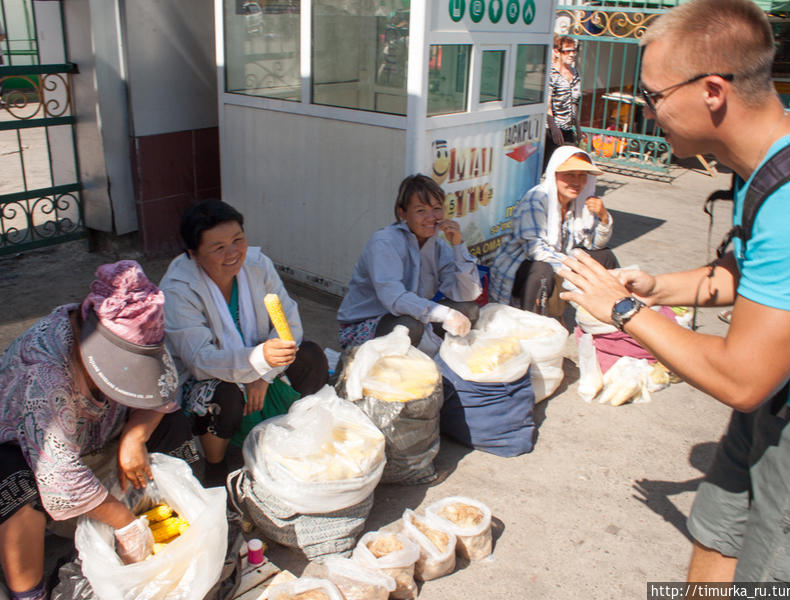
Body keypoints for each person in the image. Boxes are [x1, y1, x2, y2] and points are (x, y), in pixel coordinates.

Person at [559, 0, 790, 583]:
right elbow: (748, 271)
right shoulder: (777, 149)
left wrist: (622, 309)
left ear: (713, 90)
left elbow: (742, 380)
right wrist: (658, 287)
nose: (646, 110)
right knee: (715, 534)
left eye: (653, 96)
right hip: (779, 399)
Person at [0, 261, 197, 600]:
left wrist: (135, 436)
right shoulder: (44, 371)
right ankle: (30, 592)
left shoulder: (139, 324)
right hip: (19, 461)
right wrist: (124, 522)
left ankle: (170, 519)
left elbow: (165, 390)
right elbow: (57, 473)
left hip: (94, 446)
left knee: (173, 422)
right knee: (13, 481)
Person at [160, 198, 328, 488]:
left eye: (238, 239)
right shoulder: (178, 290)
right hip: (208, 378)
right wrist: (257, 360)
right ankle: (216, 467)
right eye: (218, 248)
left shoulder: (257, 265)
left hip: (262, 369)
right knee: (221, 396)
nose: (233, 253)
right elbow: (201, 360)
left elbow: (290, 324)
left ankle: (295, 430)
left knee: (312, 356)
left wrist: (263, 374)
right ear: (193, 254)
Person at [337, 174, 481, 355]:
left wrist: (458, 246)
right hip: (367, 327)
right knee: (408, 327)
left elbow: (467, 293)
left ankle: (441, 364)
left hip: (415, 318)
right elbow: (394, 298)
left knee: (468, 309)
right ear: (403, 213)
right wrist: (446, 314)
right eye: (420, 211)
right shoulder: (384, 242)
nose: (431, 218)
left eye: (436, 209)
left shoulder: (438, 245)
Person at [489, 145, 616, 316]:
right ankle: (533, 320)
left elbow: (593, 244)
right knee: (542, 270)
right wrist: (577, 269)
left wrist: (604, 218)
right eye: (569, 174)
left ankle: (614, 313)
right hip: (520, 269)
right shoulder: (537, 199)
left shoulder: (581, 202)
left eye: (581, 176)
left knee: (605, 256)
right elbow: (536, 251)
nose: (576, 182)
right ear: (554, 175)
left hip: (559, 262)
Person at [544, 35, 582, 171]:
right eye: (567, 51)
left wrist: (577, 127)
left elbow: (574, 103)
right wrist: (553, 128)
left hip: (567, 129)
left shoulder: (575, 74)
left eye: (574, 51)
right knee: (546, 167)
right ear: (556, 52)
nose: (572, 54)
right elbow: (547, 104)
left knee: (566, 166)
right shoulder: (551, 74)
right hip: (551, 129)